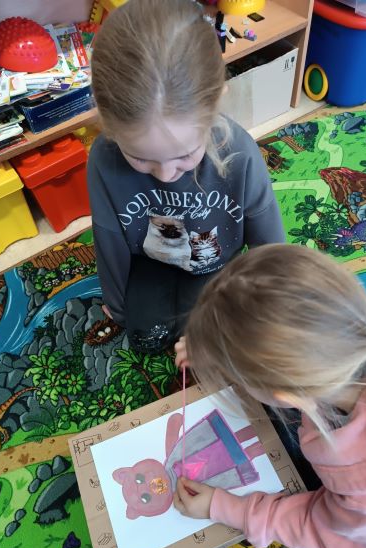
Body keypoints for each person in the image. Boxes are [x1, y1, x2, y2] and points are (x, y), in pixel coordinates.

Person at [173, 244, 366, 548]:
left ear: (288, 398)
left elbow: (319, 529)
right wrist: (216, 347)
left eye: (235, 374)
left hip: (359, 534)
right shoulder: (358, 325)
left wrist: (227, 508)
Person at [87, 0, 284, 354]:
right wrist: (117, 307)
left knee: (214, 339)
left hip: (215, 262)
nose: (165, 175)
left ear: (215, 103)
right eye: (141, 158)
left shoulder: (239, 150)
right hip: (151, 262)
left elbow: (269, 239)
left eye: (184, 155)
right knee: (146, 338)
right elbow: (109, 241)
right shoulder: (103, 157)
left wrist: (270, 303)